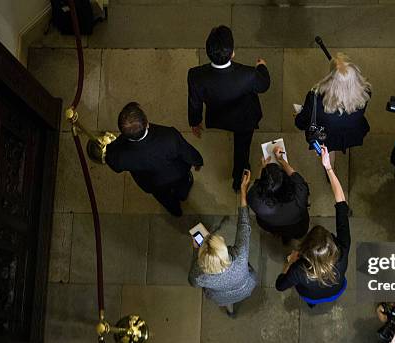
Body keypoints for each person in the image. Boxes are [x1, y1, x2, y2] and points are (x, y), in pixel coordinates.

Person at [187, 25, 270, 191]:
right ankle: (238, 177)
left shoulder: (195, 75)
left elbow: (194, 102)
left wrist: (195, 121)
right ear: (232, 53)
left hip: (220, 116)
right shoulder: (248, 74)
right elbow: (264, 85)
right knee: (242, 149)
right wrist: (262, 66)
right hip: (244, 118)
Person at [275, 146, 349, 306]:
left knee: (311, 298)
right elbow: (342, 202)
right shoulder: (342, 251)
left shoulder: (299, 270)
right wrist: (328, 167)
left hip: (310, 295)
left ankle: (312, 303)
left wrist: (289, 262)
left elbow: (280, 285)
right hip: (336, 291)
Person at [106, 102, 203, 217]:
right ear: (147, 124)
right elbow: (186, 151)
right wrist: (197, 161)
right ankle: (183, 194)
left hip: (152, 183)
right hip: (177, 173)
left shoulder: (120, 156)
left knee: (164, 198)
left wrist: (117, 142)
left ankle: (175, 211)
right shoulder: (169, 136)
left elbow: (113, 163)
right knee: (183, 185)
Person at [188, 170, 257, 317]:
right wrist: (243, 192)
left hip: (221, 297)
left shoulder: (199, 274)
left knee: (227, 302)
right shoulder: (239, 257)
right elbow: (244, 225)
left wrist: (196, 251)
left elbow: (192, 283)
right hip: (245, 288)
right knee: (237, 296)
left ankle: (230, 310)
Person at [294, 53, 371, 168]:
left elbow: (303, 121)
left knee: (328, 152)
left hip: (327, 136)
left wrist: (298, 117)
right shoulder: (365, 93)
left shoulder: (315, 97)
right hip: (352, 132)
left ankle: (330, 168)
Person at [247, 146, 310, 243]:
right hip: (297, 227)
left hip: (270, 225)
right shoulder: (300, 194)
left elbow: (257, 183)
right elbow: (295, 177)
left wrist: (262, 167)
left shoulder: (254, 198)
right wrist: (281, 160)